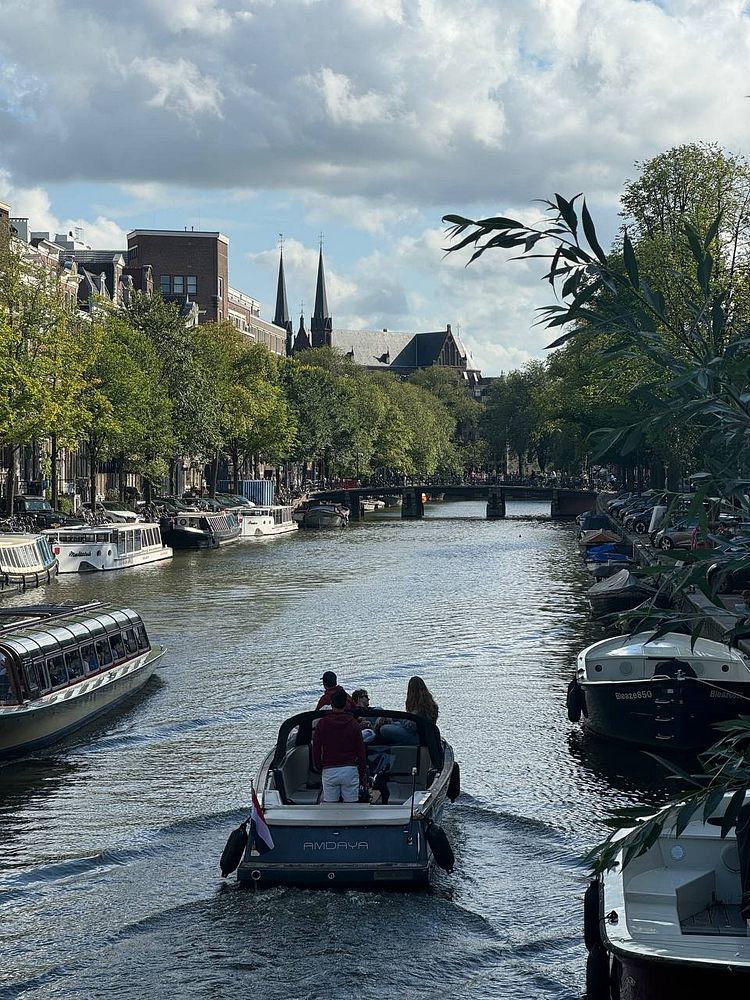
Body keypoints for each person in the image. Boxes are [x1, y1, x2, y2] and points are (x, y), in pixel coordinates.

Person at [312, 688, 367, 802]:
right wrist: (362, 773)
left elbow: (316, 748)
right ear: (345, 704)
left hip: (329, 769)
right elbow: (360, 750)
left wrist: (320, 767)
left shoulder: (322, 723)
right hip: (350, 769)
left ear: (331, 704)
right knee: (352, 807)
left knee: (331, 807)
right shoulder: (353, 724)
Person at [377, 676, 439, 745]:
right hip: (424, 734)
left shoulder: (419, 710)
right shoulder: (431, 704)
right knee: (390, 722)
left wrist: (395, 720)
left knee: (384, 729)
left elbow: (410, 727)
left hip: (419, 737)